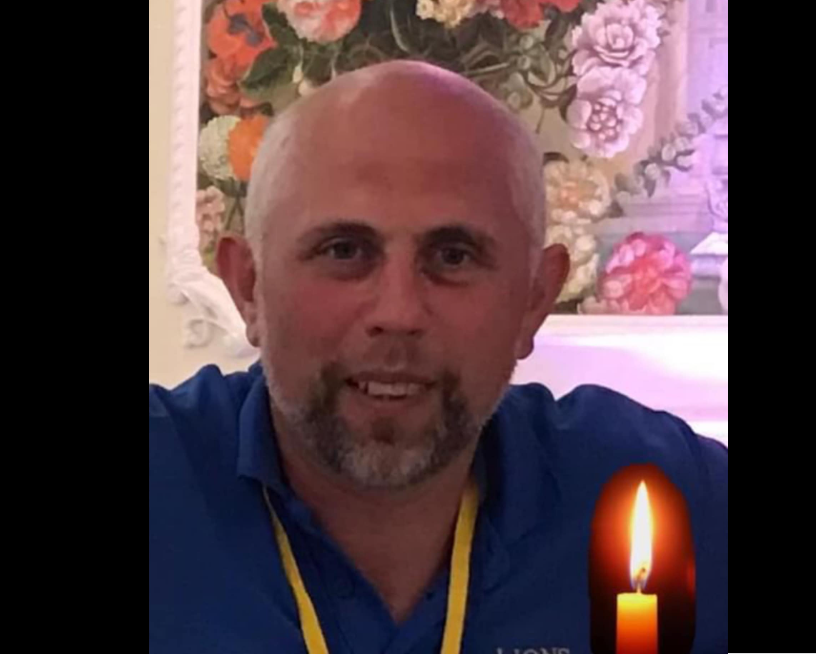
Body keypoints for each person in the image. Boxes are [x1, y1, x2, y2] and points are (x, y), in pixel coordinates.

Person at [149, 61, 728, 654]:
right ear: (248, 287)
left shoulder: (667, 498)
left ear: (534, 299)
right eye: (344, 251)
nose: (399, 312)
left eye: (453, 256)